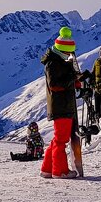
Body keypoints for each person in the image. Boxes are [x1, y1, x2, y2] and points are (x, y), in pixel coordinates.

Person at [40, 27, 80, 179]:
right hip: (60, 105)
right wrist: (72, 79)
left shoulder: (61, 61)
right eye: (68, 52)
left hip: (63, 104)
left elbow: (65, 81)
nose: (71, 55)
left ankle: (47, 169)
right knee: (61, 140)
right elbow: (55, 85)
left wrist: (75, 80)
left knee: (58, 138)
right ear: (63, 50)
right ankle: (60, 170)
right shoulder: (53, 64)